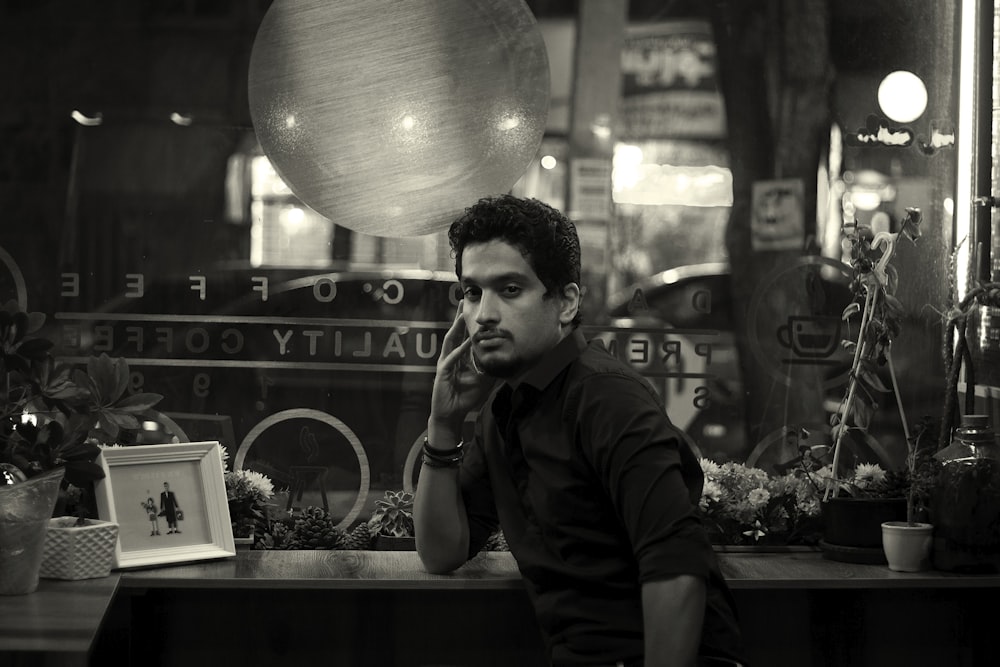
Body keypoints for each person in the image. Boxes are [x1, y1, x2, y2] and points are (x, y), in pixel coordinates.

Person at [414, 194, 744, 667]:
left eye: (509, 289)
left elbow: (676, 563)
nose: (483, 314)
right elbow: (442, 553)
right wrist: (443, 425)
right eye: (472, 292)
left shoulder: (606, 397)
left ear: (566, 302)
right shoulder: (505, 409)